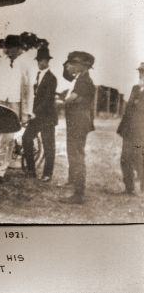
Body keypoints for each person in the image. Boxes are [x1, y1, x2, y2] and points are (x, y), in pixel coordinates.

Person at [0, 34, 34, 182]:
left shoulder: (25, 66)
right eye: (8, 48)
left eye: (13, 48)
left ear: (19, 49)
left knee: (8, 138)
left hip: (14, 103)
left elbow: (29, 90)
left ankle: (0, 172)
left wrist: (26, 112)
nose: (10, 51)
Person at [60, 51, 96, 204]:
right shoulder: (82, 80)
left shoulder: (84, 81)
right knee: (76, 154)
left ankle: (78, 194)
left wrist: (59, 101)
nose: (71, 66)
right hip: (79, 121)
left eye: (74, 64)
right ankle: (77, 189)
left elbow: (71, 99)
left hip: (78, 121)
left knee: (76, 156)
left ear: (82, 66)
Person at [22, 47, 58, 181]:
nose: (40, 63)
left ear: (48, 61)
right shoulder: (36, 76)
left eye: (43, 60)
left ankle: (47, 174)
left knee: (49, 145)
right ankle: (31, 170)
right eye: (39, 60)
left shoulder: (52, 78)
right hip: (36, 116)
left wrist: (34, 112)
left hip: (47, 117)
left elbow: (48, 99)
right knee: (26, 139)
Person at [115, 62, 144, 195]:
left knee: (139, 159)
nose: (141, 74)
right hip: (129, 131)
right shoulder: (135, 88)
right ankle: (129, 188)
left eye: (143, 72)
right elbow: (128, 110)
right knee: (125, 158)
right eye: (140, 72)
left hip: (141, 132)